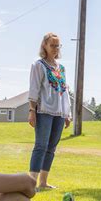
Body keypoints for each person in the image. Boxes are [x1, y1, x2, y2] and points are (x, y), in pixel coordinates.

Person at [28, 32, 72, 191]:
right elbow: (34, 89)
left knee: (51, 147)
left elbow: (65, 91)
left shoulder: (61, 68)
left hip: (59, 113)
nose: (55, 48)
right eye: (52, 45)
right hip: (44, 111)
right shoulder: (39, 65)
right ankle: (31, 182)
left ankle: (43, 182)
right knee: (41, 145)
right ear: (44, 46)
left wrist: (67, 113)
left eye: (57, 45)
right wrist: (32, 110)